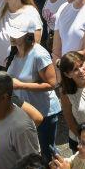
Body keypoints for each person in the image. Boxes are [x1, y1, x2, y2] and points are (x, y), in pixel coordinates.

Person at [8, 20, 61, 161]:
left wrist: (21, 86)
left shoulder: (39, 54)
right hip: (27, 111)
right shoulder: (14, 51)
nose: (12, 37)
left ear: (27, 35)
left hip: (45, 112)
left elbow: (52, 83)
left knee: (48, 151)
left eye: (16, 34)